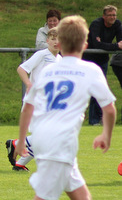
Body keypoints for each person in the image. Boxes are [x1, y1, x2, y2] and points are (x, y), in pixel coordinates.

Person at [15, 15, 116, 200]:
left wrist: (21, 140)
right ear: (85, 45)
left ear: (59, 44)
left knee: (82, 196)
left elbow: (28, 107)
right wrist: (106, 135)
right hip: (59, 142)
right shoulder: (90, 70)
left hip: (44, 138)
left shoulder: (48, 71)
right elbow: (109, 108)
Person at [6, 28, 61, 171]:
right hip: (35, 101)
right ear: (47, 40)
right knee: (45, 137)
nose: (56, 42)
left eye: (59, 39)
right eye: (53, 39)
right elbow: (22, 69)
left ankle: (19, 163)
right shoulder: (42, 55)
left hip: (49, 103)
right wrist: (29, 84)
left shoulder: (60, 59)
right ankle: (16, 144)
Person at [82, 5, 121, 125]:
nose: (112, 17)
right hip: (89, 59)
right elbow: (96, 44)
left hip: (103, 60)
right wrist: (114, 46)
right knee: (89, 88)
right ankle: (92, 120)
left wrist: (111, 45)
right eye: (110, 15)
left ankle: (97, 119)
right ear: (104, 16)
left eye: (114, 15)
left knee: (100, 88)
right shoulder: (96, 24)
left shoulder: (117, 24)